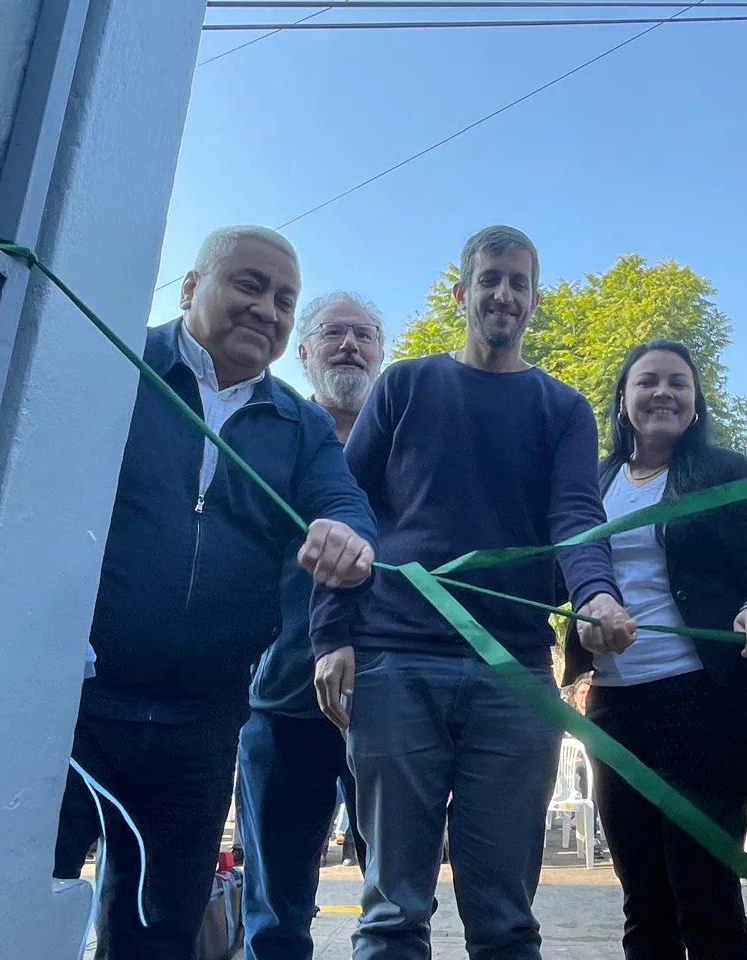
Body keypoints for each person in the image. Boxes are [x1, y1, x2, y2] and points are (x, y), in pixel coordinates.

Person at [311, 225, 634, 960]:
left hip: (514, 675)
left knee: (507, 920)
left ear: (534, 301)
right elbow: (346, 514)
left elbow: (576, 516)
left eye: (519, 282)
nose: (504, 294)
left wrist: (596, 595)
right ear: (461, 293)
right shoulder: (404, 385)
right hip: (395, 664)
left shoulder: (563, 408)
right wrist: (330, 635)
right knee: (392, 911)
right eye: (490, 279)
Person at [53, 226, 377, 959]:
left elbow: (345, 503)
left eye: (285, 299)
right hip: (76, 697)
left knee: (163, 927)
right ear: (191, 287)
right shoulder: (117, 360)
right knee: (22, 890)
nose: (267, 309)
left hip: (203, 719)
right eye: (249, 285)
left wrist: (347, 534)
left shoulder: (299, 423)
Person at [560, 339, 747, 960]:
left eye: (677, 383)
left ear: (694, 402)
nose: (662, 392)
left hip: (707, 702)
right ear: (623, 400)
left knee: (705, 893)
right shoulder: (591, 482)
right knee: (643, 898)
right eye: (648, 381)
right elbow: (566, 574)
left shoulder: (725, 472)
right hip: (614, 707)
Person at [236, 290, 385, 959]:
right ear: (302, 351)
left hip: (390, 698)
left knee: (397, 896)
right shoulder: (272, 435)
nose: (349, 344)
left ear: (380, 352)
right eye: (332, 332)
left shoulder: (410, 445)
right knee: (274, 907)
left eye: (364, 334)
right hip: (280, 698)